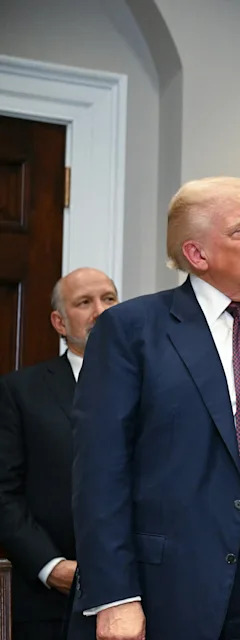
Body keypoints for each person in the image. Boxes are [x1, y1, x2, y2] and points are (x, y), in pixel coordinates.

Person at [69, 178, 240, 640]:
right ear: (197, 255)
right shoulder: (132, 331)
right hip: (167, 594)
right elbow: (100, 474)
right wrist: (116, 597)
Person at [0, 268, 117, 640]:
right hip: (51, 603)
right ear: (59, 322)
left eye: (109, 299)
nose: (100, 311)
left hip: (145, 594)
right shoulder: (22, 391)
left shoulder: (158, 384)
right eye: (84, 303)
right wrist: (50, 567)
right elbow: (4, 492)